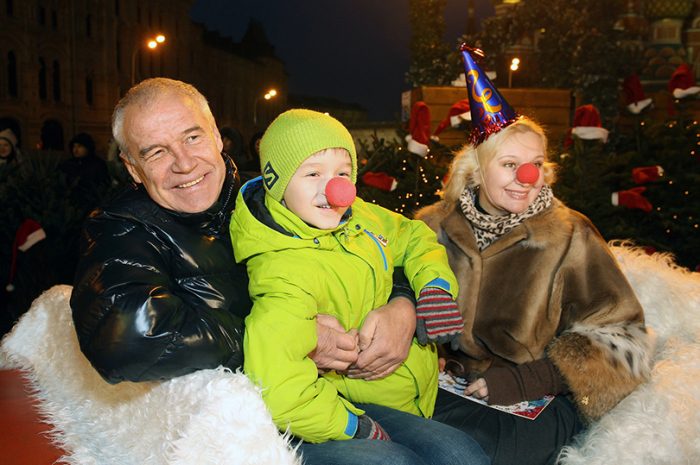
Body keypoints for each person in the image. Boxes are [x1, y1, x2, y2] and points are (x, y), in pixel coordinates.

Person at [70, 78, 418, 400]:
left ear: (218, 137)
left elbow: (376, 237)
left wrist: (402, 305)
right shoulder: (120, 228)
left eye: (193, 138)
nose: (184, 163)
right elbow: (127, 337)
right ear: (132, 167)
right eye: (156, 152)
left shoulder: (273, 193)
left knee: (456, 447)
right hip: (262, 419)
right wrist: (292, 336)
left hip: (360, 388)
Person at [417, 46, 653, 465]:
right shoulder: (433, 228)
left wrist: (531, 378)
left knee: (477, 456)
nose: (528, 178)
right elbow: (394, 296)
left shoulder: (569, 234)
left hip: (536, 401)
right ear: (475, 169)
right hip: (445, 391)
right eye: (510, 164)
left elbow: (627, 343)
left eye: (536, 164)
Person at [230, 109, 488, 465]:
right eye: (312, 173)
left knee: (465, 456)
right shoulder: (282, 269)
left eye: (342, 173)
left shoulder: (362, 216)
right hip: (341, 404)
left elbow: (416, 237)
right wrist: (351, 425)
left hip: (410, 393)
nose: (335, 189)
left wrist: (433, 287)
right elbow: (280, 384)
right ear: (277, 182)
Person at [59, 132, 111, 207]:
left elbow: (103, 184)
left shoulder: (98, 164)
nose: (76, 150)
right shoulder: (68, 164)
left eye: (79, 146)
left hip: (91, 202)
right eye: (74, 146)